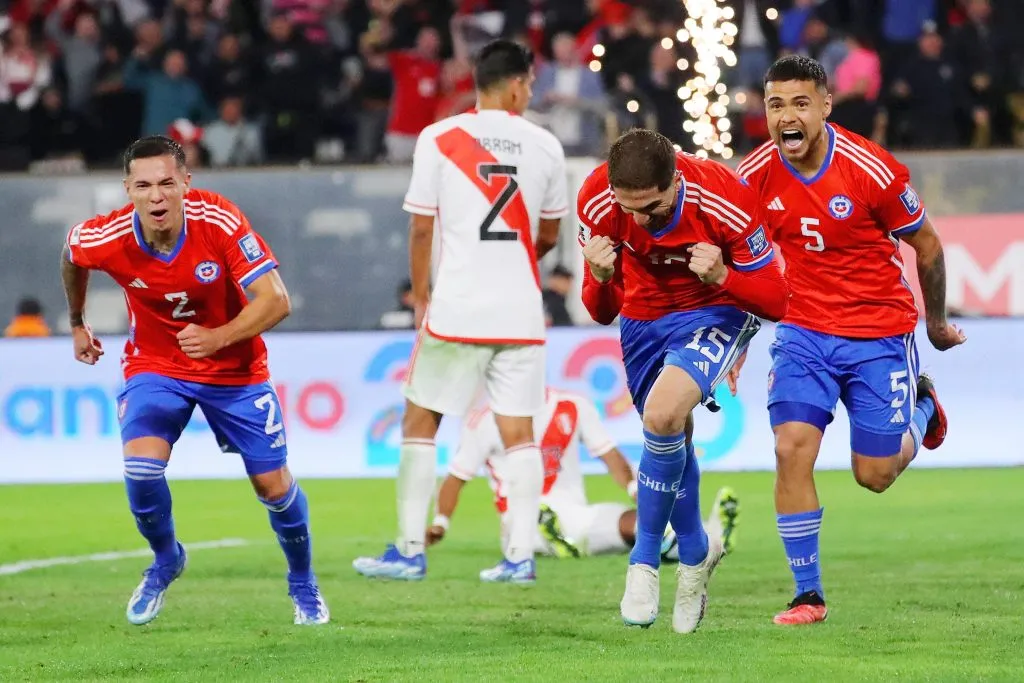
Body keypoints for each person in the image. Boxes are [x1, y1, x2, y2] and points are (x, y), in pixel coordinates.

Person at [60, 135, 329, 626]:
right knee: (140, 470)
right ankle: (166, 560)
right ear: (127, 189)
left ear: (187, 182)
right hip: (157, 366)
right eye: (143, 185)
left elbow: (276, 300)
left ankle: (303, 583)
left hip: (235, 370)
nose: (156, 196)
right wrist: (78, 321)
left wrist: (219, 336)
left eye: (167, 183)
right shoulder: (106, 236)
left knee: (272, 485)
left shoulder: (220, 221)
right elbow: (72, 254)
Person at [735, 55, 965, 626]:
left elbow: (928, 245)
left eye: (799, 103)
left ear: (825, 105)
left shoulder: (871, 169)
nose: (786, 116)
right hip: (802, 330)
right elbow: (740, 259)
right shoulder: (755, 174)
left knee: (874, 475)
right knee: (790, 447)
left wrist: (934, 325)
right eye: (775, 104)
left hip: (877, 333)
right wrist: (736, 345)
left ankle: (923, 408)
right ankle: (807, 595)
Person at [352, 39, 569, 584]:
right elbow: (548, 234)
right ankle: (519, 558)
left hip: (458, 307)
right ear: (518, 83)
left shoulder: (440, 138)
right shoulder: (545, 145)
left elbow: (421, 224)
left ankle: (408, 549)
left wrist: (422, 294)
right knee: (519, 432)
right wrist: (514, 261)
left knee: (421, 419)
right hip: (521, 311)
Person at [578, 128, 789, 633]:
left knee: (663, 412)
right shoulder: (595, 202)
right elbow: (600, 310)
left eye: (649, 209)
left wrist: (724, 278)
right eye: (627, 208)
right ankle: (695, 550)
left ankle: (644, 561)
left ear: (675, 181)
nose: (637, 222)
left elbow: (777, 300)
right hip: (643, 315)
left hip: (714, 309)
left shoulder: (724, 196)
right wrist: (603, 279)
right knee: (672, 436)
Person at [426, 387, 740, 562]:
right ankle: (704, 540)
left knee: (637, 524)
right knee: (526, 526)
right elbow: (456, 477)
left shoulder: (573, 406)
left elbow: (609, 454)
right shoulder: (484, 421)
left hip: (576, 509)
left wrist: (635, 489)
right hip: (518, 515)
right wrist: (440, 523)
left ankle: (707, 540)